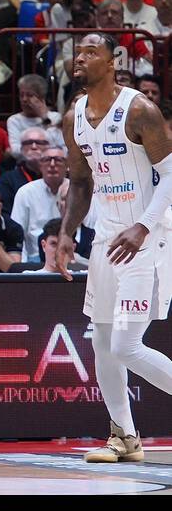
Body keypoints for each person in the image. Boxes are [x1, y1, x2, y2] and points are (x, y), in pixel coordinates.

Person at [55, 32, 172, 464]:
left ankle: (126, 435)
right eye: (77, 53)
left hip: (150, 236)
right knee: (103, 338)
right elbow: (81, 182)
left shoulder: (140, 110)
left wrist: (142, 226)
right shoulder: (74, 118)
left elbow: (171, 176)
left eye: (91, 52)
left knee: (126, 344)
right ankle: (124, 436)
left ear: (112, 62)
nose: (80, 59)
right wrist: (68, 232)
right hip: (106, 237)